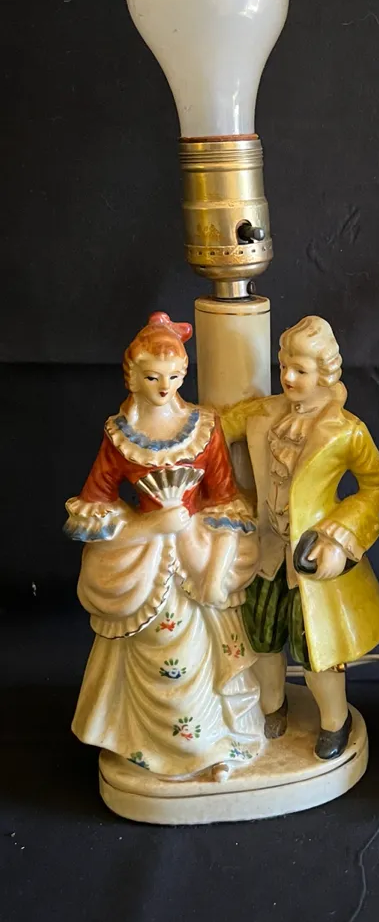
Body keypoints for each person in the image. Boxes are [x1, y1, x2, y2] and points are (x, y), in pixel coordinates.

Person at [65, 313, 262, 781]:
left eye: (174, 377)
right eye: (153, 377)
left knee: (204, 651)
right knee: (151, 648)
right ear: (132, 376)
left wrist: (215, 565)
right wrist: (148, 526)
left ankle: (216, 746)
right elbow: (95, 501)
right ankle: (147, 746)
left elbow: (225, 498)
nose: (164, 387)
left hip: (196, 548)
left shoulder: (203, 427)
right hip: (147, 557)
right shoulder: (120, 435)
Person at [221, 316, 379, 761]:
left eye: (300, 369)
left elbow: (378, 486)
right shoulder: (261, 415)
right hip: (267, 550)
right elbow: (212, 429)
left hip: (313, 557)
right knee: (262, 636)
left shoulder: (346, 430)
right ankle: (271, 707)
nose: (288, 378)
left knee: (318, 649)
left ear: (326, 372)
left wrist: (339, 535)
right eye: (284, 367)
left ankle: (334, 721)